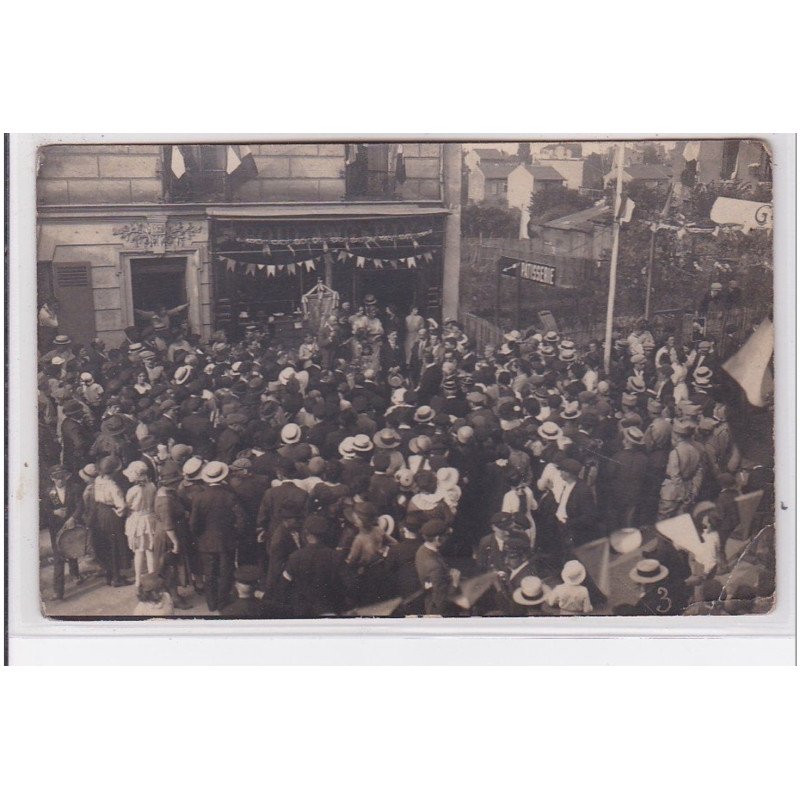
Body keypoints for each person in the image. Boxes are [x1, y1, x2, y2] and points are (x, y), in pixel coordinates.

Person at [189, 461, 246, 612]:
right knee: (226, 572)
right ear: (222, 477)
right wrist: (236, 534)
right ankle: (223, 602)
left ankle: (211, 603)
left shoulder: (199, 497)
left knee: (209, 573)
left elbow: (194, 523)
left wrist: (199, 536)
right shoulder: (230, 495)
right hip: (227, 541)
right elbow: (241, 519)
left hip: (206, 541)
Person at [41, 464, 85, 601]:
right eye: (57, 478)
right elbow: (44, 512)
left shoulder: (74, 489)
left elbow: (80, 506)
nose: (60, 480)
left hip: (71, 525)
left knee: (72, 550)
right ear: (52, 479)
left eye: (62, 477)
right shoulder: (49, 493)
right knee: (59, 557)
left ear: (66, 477)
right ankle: (58, 591)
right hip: (56, 529)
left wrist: (73, 518)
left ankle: (75, 574)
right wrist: (55, 512)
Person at [123, 460, 158, 588]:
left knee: (139, 551)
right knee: (150, 550)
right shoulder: (152, 486)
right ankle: (153, 577)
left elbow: (127, 506)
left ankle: (138, 579)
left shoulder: (133, 490)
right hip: (150, 519)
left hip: (137, 520)